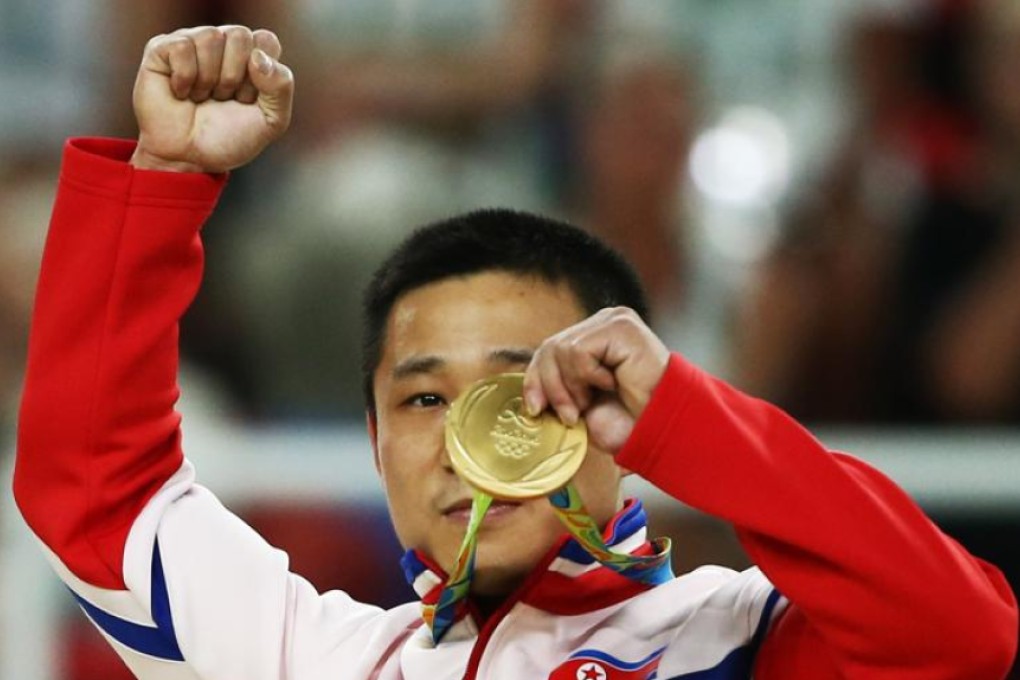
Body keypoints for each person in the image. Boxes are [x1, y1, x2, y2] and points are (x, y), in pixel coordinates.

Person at [12, 25, 1018, 680]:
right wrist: (164, 176)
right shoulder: (313, 656)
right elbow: (94, 485)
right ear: (372, 443)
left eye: (523, 384)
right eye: (419, 400)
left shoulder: (737, 639)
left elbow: (961, 636)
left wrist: (695, 422)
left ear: (624, 415)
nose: (467, 439)